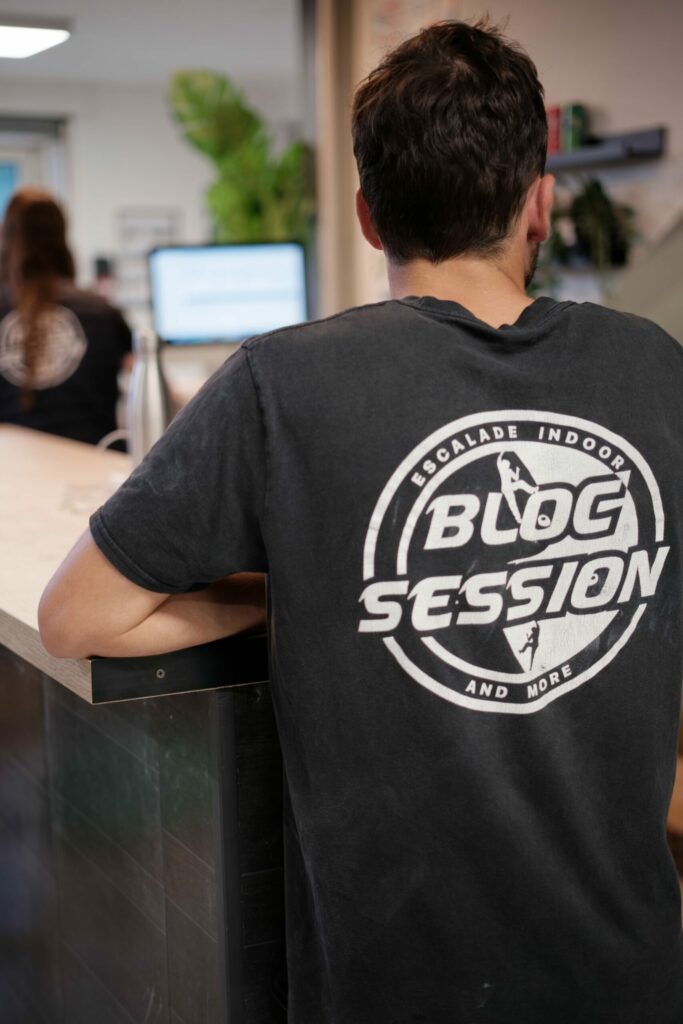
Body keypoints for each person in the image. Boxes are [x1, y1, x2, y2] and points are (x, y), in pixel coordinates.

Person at [38, 18, 683, 1024]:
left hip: (390, 989)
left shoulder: (282, 383)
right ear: (538, 204)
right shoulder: (651, 366)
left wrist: (301, 585)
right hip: (631, 973)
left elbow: (81, 618)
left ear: (366, 216)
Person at [0, 188, 132, 444]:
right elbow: (151, 387)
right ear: (61, 238)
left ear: (7, 238)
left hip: (10, 476)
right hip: (94, 469)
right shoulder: (101, 311)